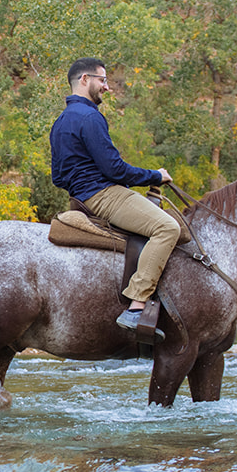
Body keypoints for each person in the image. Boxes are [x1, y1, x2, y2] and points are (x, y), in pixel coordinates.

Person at [50, 57, 179, 332]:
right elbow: (115, 170)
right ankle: (136, 306)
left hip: (79, 199)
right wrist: (156, 176)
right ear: (85, 80)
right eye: (103, 80)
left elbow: (58, 177)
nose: (106, 87)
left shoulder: (60, 122)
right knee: (167, 227)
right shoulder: (90, 117)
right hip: (103, 195)